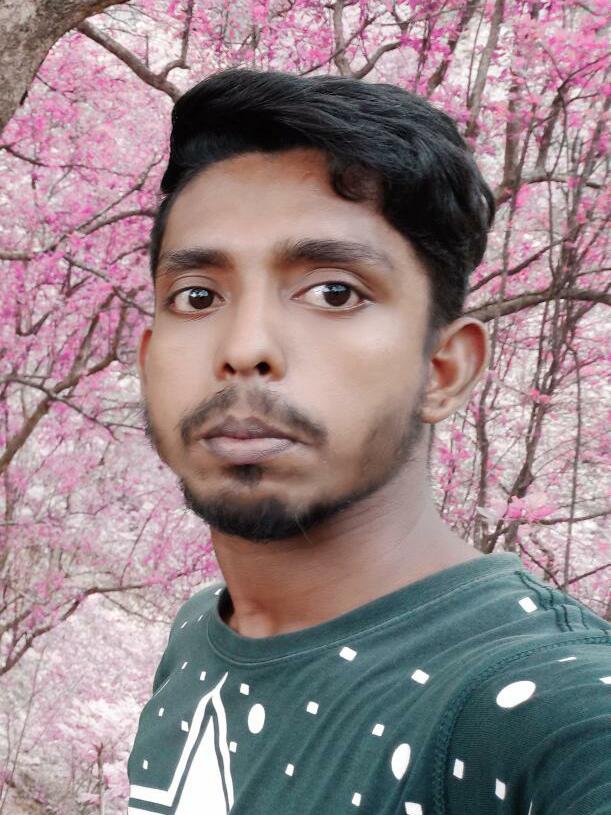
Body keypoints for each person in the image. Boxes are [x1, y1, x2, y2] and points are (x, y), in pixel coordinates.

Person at [127, 68, 610, 815]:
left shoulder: (545, 710)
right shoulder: (201, 632)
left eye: (334, 292)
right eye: (198, 296)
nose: (245, 347)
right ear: (146, 358)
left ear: (443, 369)